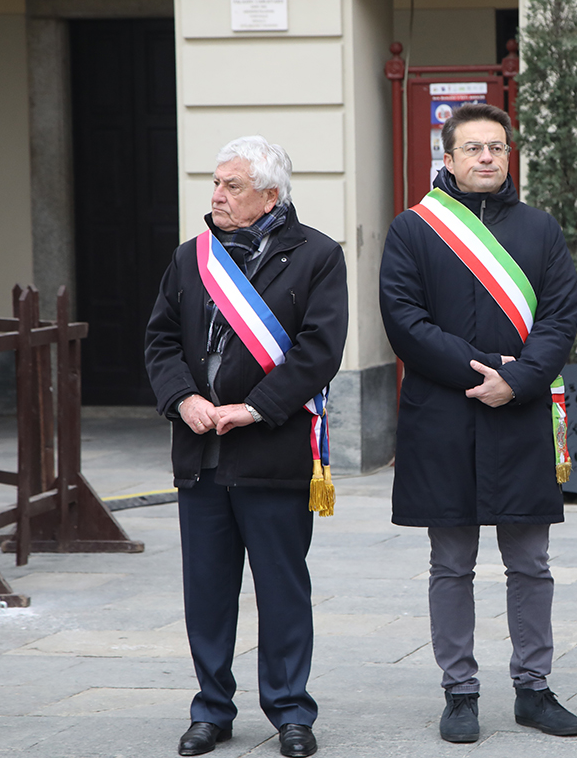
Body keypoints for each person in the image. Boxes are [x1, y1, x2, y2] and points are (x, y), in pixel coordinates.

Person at [378, 103, 577, 743]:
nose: (487, 157)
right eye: (473, 149)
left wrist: (516, 381)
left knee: (530, 561)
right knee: (451, 563)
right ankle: (459, 693)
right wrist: (482, 375)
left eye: (496, 147)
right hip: (443, 418)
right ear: (448, 158)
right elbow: (404, 322)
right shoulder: (413, 231)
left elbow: (560, 317)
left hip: (518, 414)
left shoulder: (540, 229)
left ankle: (534, 688)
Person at [145, 136, 348, 757]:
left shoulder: (317, 255)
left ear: (270, 194)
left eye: (231, 186)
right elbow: (160, 342)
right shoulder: (190, 258)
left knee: (282, 588)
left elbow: (319, 351)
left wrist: (255, 407)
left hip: (274, 452)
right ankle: (211, 708)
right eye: (215, 183)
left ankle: (290, 712)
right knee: (206, 591)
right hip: (201, 451)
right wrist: (185, 399)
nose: (216, 196)